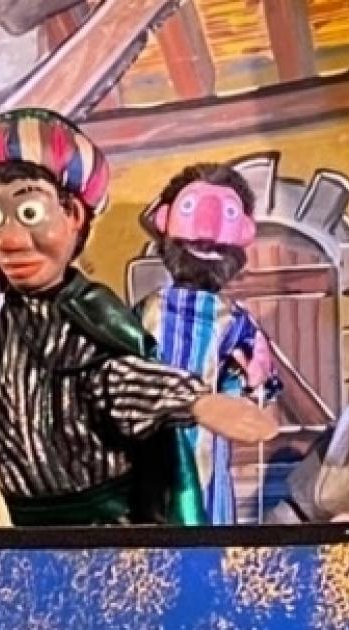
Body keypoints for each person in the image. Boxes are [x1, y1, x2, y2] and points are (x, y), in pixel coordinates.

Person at [0, 108, 277, 526]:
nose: (9, 239)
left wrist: (194, 402)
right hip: (27, 532)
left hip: (105, 537)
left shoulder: (93, 317)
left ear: (73, 215)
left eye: (29, 211)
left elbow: (118, 383)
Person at [134, 163, 282, 524]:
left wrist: (251, 380)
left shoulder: (232, 321)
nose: (205, 233)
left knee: (204, 512)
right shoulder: (148, 311)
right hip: (149, 445)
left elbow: (257, 386)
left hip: (207, 448)